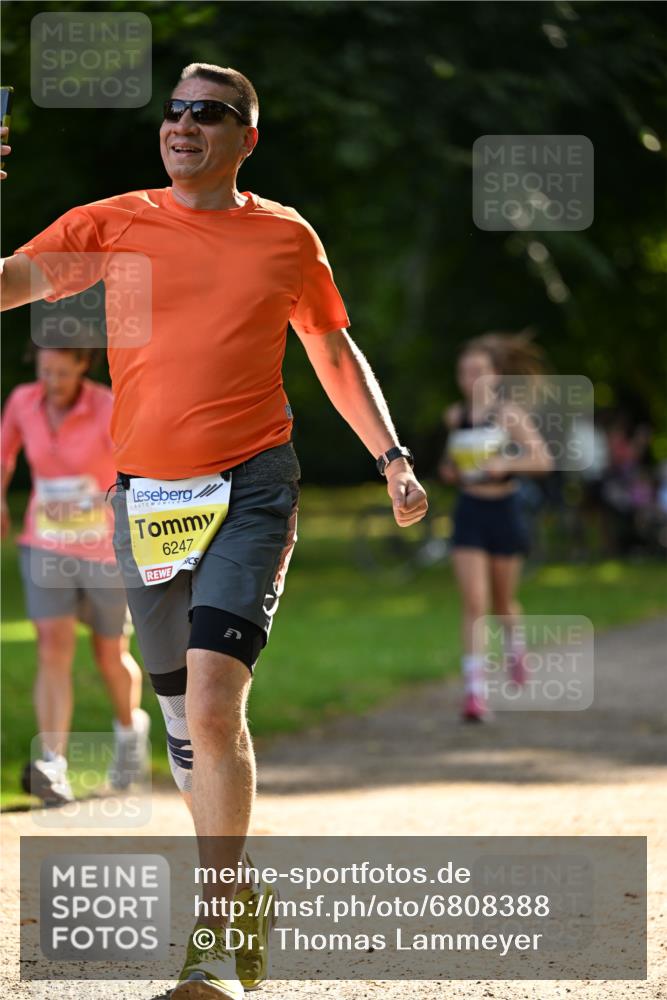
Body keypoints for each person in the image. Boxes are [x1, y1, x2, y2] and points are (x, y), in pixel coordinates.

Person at [1, 63, 428, 997]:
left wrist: (391, 455)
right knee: (180, 726)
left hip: (251, 487)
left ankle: (216, 942)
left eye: (209, 113)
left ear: (246, 138)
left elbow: (328, 344)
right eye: (175, 111)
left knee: (210, 701)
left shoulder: (284, 235)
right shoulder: (111, 223)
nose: (183, 124)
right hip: (143, 497)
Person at [0, 346, 149, 804]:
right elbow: (3, 455)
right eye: (45, 371)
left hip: (104, 550)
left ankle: (129, 734)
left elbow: (134, 467)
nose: (52, 382)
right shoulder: (23, 402)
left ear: (83, 366)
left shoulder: (106, 406)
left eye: (62, 373)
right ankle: (54, 764)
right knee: (53, 645)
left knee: (110, 651)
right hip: (44, 544)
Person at [439, 333, 553, 722]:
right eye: (464, 371)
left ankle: (515, 647)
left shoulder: (509, 416)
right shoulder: (456, 416)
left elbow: (542, 461)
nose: (470, 378)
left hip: (505, 512)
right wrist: (451, 470)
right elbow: (452, 461)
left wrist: (506, 465)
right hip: (469, 511)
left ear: (496, 375)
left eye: (478, 370)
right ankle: (475, 693)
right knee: (475, 603)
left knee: (503, 603)